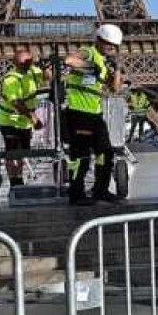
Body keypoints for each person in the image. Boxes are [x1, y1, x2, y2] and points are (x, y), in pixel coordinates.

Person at [61, 24, 124, 204]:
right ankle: (76, 193)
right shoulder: (88, 52)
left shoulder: (104, 62)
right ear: (99, 40)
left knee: (105, 152)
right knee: (80, 155)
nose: (111, 48)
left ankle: (101, 190)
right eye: (108, 44)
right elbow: (69, 60)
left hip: (94, 114)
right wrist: (90, 66)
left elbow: (115, 89)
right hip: (78, 112)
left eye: (114, 46)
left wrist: (117, 69)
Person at [0, 47, 46, 189]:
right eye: (24, 63)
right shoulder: (10, 79)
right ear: (16, 63)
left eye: (28, 62)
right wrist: (34, 118)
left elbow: (48, 79)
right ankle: (15, 181)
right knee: (12, 152)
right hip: (9, 119)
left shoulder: (33, 71)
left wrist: (47, 68)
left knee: (22, 152)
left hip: (24, 121)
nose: (27, 65)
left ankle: (18, 178)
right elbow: (17, 103)